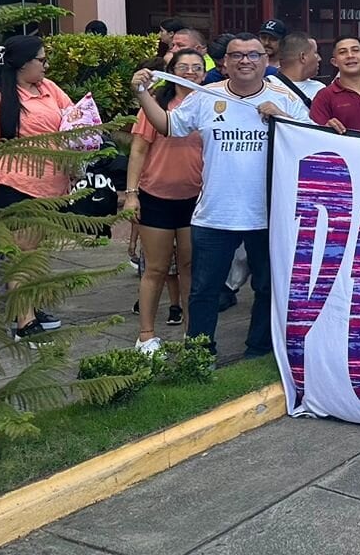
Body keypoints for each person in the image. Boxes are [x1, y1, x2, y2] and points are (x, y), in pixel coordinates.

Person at [130, 34, 309, 360]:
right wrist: (142, 94)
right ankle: (200, 353)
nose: (245, 61)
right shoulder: (205, 96)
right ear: (224, 63)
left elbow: (310, 143)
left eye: (253, 55)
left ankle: (258, 350)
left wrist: (285, 120)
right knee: (203, 290)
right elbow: (168, 125)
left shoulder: (285, 98)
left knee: (267, 289)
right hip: (215, 214)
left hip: (268, 215)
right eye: (236, 56)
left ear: (264, 61)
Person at [0, 34, 72, 340]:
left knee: (35, 251)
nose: (46, 66)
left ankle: (30, 307)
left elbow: (75, 118)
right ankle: (24, 321)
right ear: (23, 63)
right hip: (10, 184)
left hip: (50, 186)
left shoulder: (48, 89)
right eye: (42, 59)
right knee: (22, 252)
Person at [121, 48, 204, 352]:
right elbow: (139, 150)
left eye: (197, 67)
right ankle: (145, 335)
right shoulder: (155, 104)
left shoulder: (211, 104)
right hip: (156, 196)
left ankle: (190, 333)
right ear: (171, 70)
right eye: (183, 67)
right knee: (155, 268)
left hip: (195, 198)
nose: (191, 72)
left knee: (189, 266)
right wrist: (131, 195)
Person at [275, 31, 323, 102]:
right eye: (315, 53)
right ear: (303, 57)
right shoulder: (268, 88)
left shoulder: (320, 90)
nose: (319, 58)